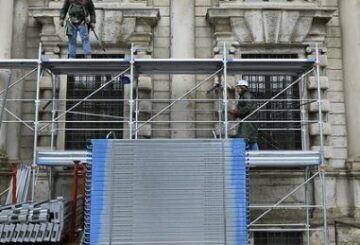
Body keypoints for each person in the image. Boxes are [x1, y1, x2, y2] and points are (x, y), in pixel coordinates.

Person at [230, 79, 259, 150]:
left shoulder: (246, 95)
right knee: (252, 140)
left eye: (238, 88)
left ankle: (244, 156)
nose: (237, 90)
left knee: (241, 137)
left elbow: (248, 107)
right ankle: (256, 156)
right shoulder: (244, 95)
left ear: (242, 88)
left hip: (248, 121)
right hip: (249, 120)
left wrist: (238, 112)